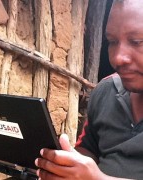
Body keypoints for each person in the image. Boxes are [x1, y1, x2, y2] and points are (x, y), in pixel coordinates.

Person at [35, 0, 143, 179]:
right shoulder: (106, 91)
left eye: (137, 41)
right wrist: (63, 163)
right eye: (112, 41)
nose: (118, 58)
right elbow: (89, 148)